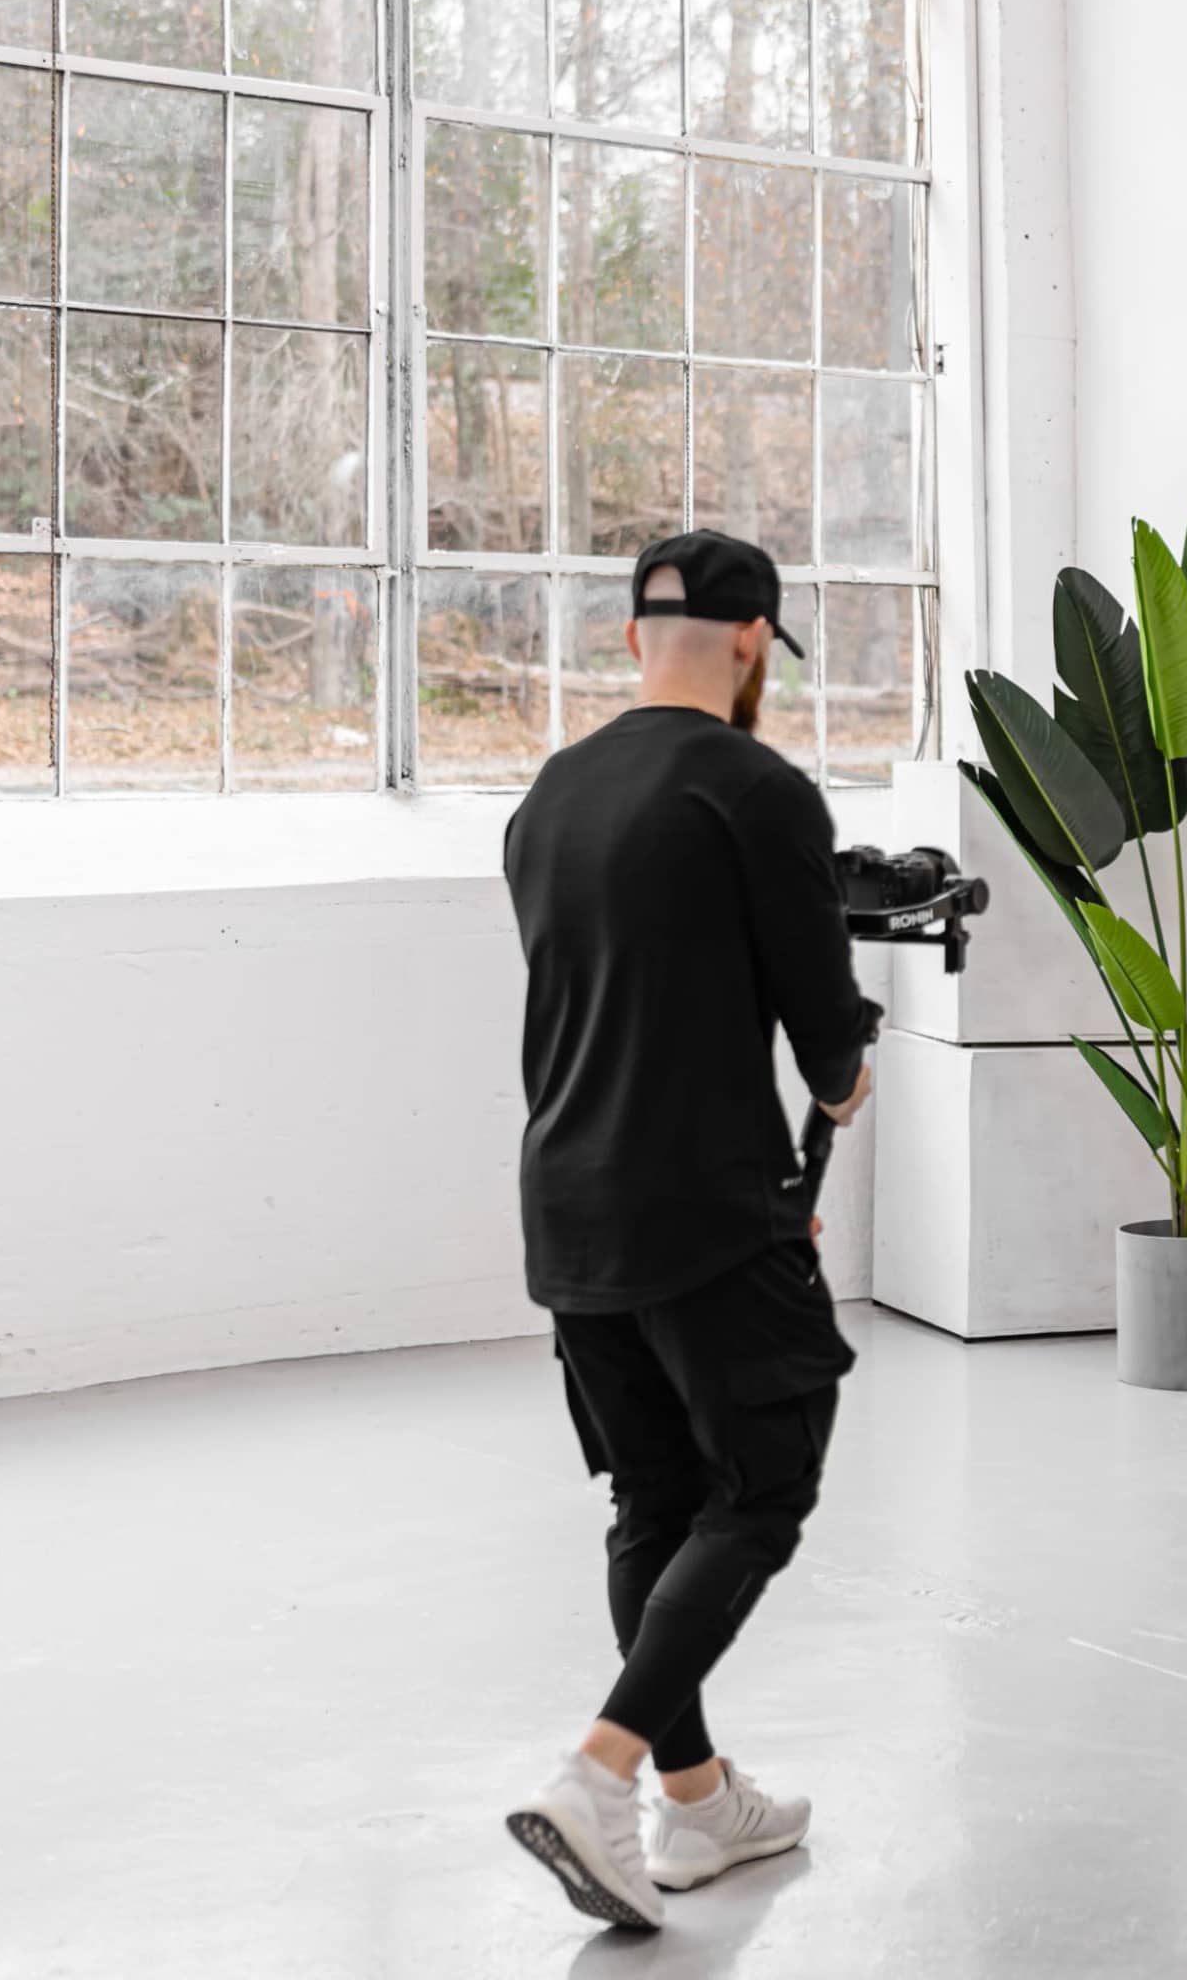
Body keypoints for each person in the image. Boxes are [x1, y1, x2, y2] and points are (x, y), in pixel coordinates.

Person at [496, 530, 877, 1932]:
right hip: (708, 1208)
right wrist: (845, 1082)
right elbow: (818, 1013)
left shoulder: (551, 794)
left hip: (568, 1205)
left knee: (654, 1502)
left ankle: (700, 1805)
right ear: (756, 640)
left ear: (632, 635)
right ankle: (600, 1777)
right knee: (765, 1488)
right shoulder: (755, 787)